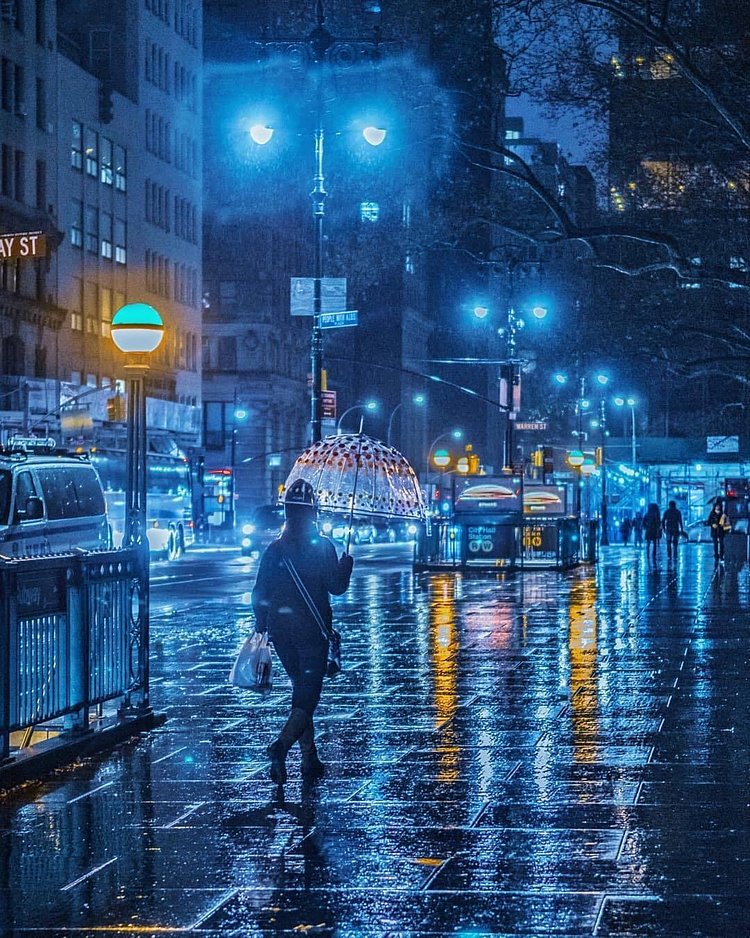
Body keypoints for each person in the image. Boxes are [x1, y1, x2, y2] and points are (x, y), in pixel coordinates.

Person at [252, 479, 354, 784]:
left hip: (281, 633)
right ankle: (280, 747)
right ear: (313, 511)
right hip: (312, 632)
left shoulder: (274, 548)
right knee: (307, 698)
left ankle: (310, 759)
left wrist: (262, 626)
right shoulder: (322, 547)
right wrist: (346, 565)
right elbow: (336, 588)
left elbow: (259, 593)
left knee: (300, 691)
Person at [706, 498, 731, 563]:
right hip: (714, 531)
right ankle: (716, 555)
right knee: (715, 544)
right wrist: (712, 524)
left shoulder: (723, 514)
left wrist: (725, 529)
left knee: (722, 544)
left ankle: (721, 555)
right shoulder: (712, 513)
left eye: (718, 505)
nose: (717, 507)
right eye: (716, 506)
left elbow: (726, 523)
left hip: (721, 531)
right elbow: (708, 522)